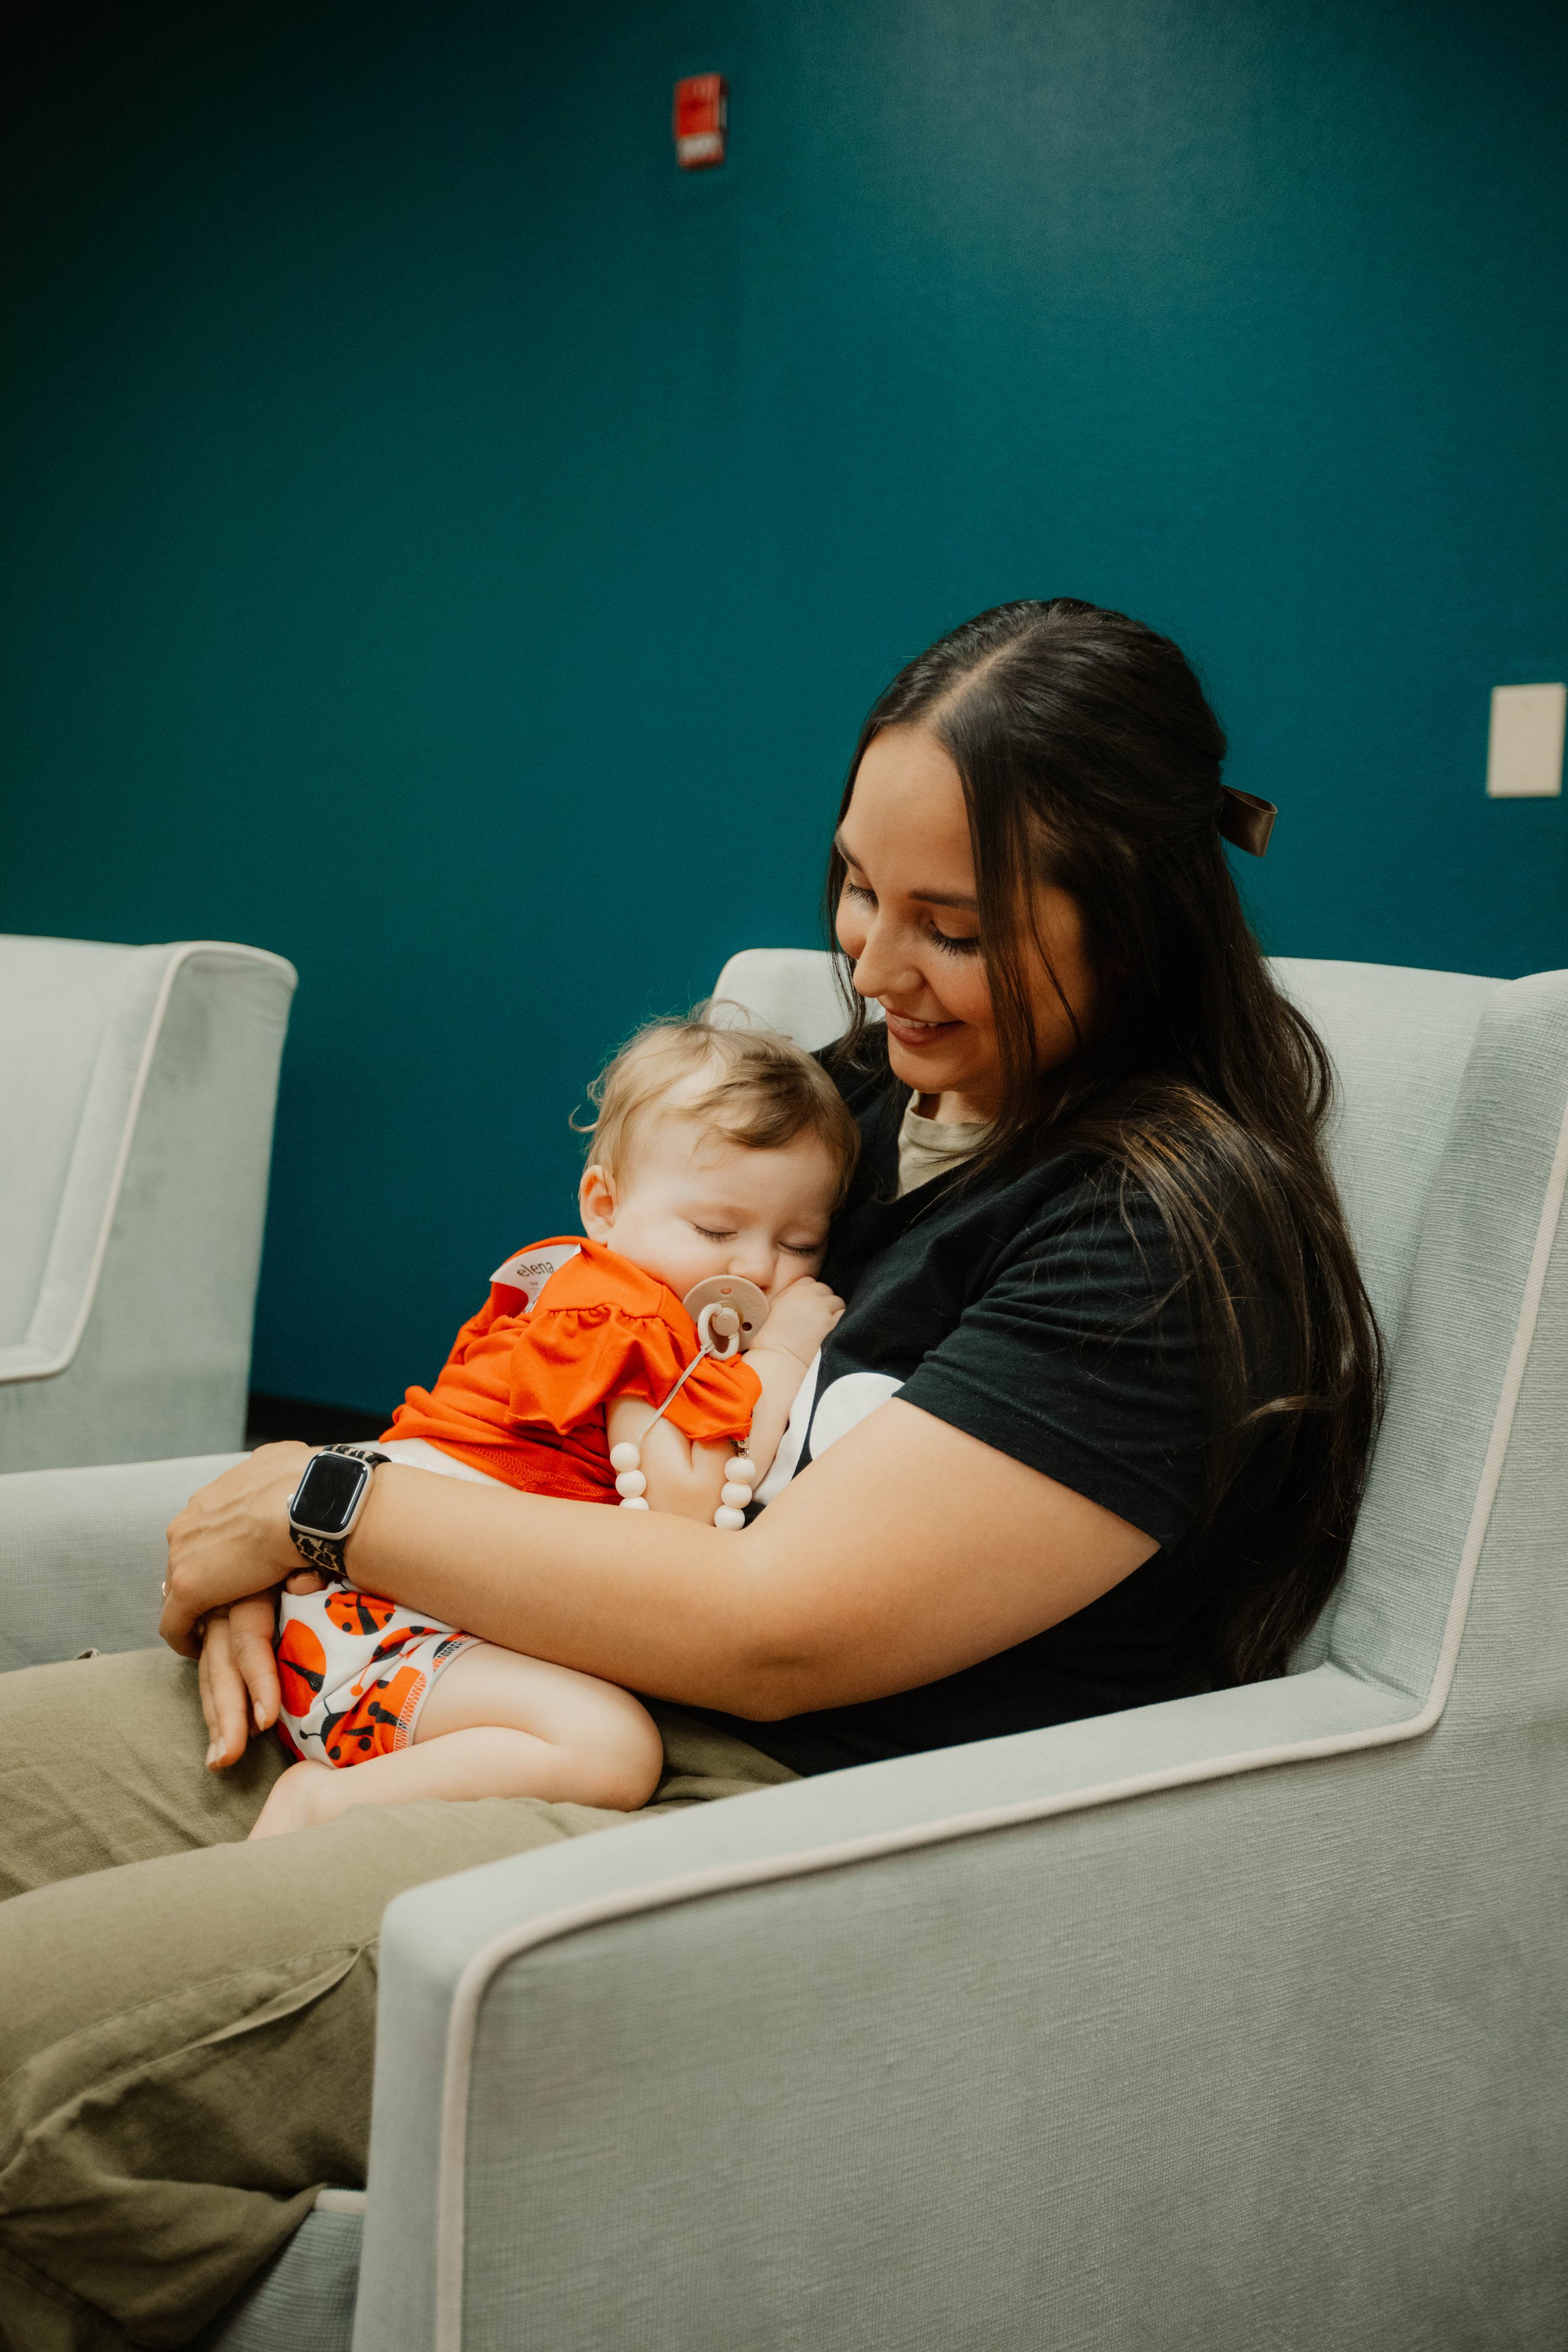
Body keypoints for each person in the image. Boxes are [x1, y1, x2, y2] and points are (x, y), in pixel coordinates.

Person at [0, 598, 1382, 2349]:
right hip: (484, 1657)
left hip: (735, 1792)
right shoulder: (867, 1104)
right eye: (855, 888)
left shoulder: (1158, 1236)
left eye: (947, 925)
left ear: (1133, 917)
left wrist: (329, 1498)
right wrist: (339, 1590)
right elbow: (577, 1350)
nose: (870, 968)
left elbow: (771, 1630)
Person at [255, 1018, 854, 1838]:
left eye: (800, 1242)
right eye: (716, 1231)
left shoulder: (579, 1283)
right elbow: (685, 1507)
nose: (754, 1268)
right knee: (613, 1750)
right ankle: (325, 1802)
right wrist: (782, 1351)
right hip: (377, 1618)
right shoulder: (627, 1313)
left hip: (393, 1600)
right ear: (603, 1206)